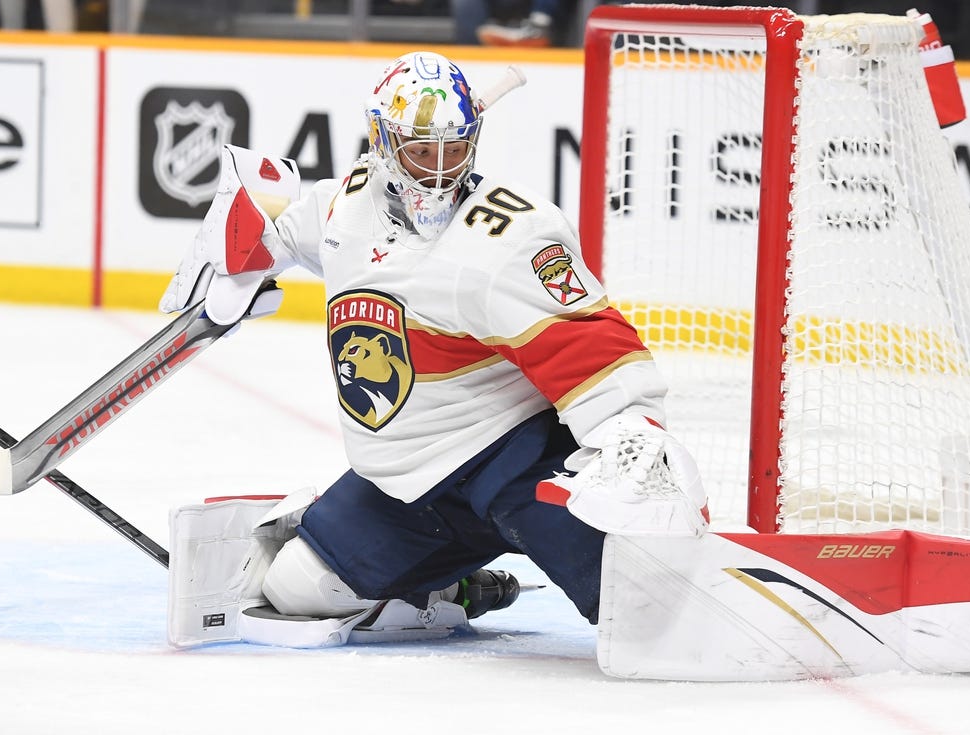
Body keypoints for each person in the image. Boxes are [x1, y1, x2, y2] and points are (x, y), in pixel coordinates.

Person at [159, 51, 708, 639]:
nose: (441, 172)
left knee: (646, 607)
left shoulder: (510, 236)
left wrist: (635, 438)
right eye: (423, 152)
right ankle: (451, 589)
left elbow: (593, 348)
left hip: (518, 460)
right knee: (296, 588)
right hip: (411, 482)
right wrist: (249, 253)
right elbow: (296, 227)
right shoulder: (349, 204)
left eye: (456, 150)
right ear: (384, 143)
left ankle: (695, 580)